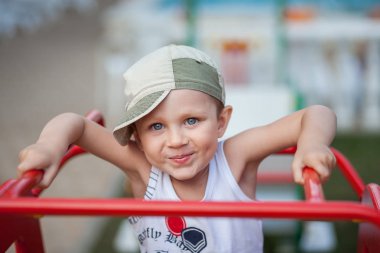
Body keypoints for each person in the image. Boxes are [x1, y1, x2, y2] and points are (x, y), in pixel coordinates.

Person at [17, 45, 336, 253]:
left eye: (192, 120)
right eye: (156, 126)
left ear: (221, 121)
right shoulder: (144, 170)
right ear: (138, 137)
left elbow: (316, 114)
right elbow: (78, 124)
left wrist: (311, 144)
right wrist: (49, 147)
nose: (176, 140)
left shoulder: (235, 158)